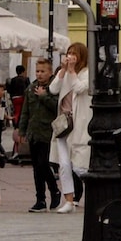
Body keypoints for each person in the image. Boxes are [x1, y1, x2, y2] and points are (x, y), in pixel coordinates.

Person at [16, 57, 60, 212]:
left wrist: (44, 97)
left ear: (50, 72)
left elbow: (57, 108)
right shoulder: (31, 88)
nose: (40, 74)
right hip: (34, 132)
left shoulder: (54, 88)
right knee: (36, 167)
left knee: (43, 164)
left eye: (43, 71)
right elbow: (25, 111)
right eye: (37, 71)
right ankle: (40, 199)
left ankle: (54, 190)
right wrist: (22, 130)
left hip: (48, 133)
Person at [52, 42, 90, 213]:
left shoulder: (87, 74)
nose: (70, 56)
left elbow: (80, 88)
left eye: (74, 53)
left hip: (78, 123)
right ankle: (68, 199)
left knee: (80, 165)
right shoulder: (66, 73)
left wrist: (72, 71)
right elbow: (53, 89)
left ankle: (88, 194)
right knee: (64, 164)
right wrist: (62, 71)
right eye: (68, 53)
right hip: (63, 124)